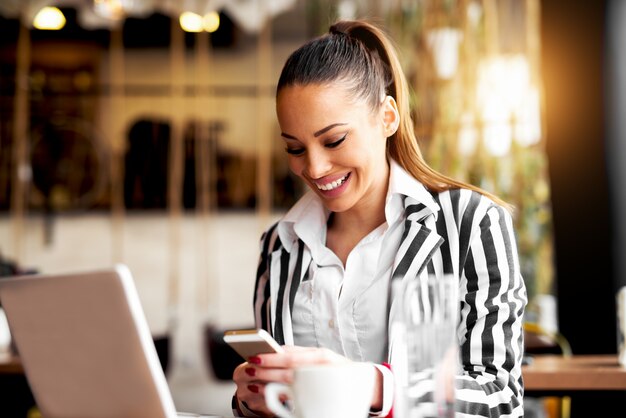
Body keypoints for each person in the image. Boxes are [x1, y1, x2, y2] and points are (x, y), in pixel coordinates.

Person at [232, 19, 527, 417]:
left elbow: (499, 395)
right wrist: (251, 399)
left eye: (334, 140)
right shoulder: (279, 245)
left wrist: (371, 385)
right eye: (295, 148)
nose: (315, 168)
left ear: (388, 117)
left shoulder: (468, 224)